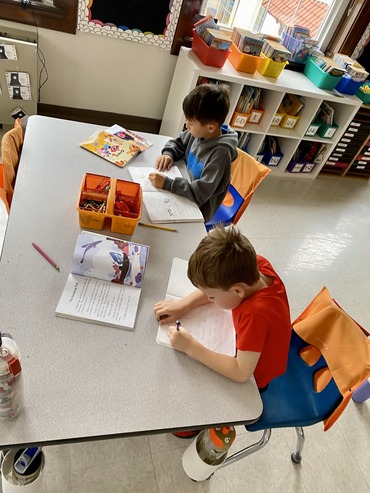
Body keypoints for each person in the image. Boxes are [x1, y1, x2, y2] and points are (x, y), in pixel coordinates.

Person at [154, 225, 291, 389]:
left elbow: (241, 373)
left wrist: (190, 347)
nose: (210, 299)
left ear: (237, 291)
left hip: (255, 379)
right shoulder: (255, 264)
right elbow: (217, 286)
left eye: (212, 297)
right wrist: (183, 305)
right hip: (249, 347)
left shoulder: (255, 314)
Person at [148, 83, 238, 222]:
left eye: (190, 122)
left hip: (198, 208)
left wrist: (169, 184)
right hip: (183, 188)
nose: (186, 125)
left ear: (210, 127)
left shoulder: (221, 154)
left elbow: (200, 193)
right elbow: (177, 142)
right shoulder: (198, 133)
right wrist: (169, 153)